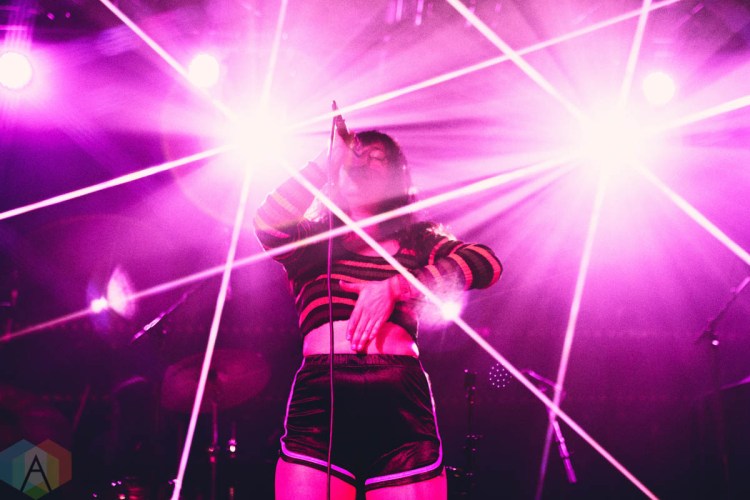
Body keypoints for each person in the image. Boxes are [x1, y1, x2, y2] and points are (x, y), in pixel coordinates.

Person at [254, 127, 502, 499]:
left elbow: (487, 263)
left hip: (399, 399)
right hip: (321, 400)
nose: (365, 162)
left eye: (378, 159)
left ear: (394, 180)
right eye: (357, 156)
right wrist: (325, 161)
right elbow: (268, 225)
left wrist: (396, 287)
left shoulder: (418, 241)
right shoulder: (313, 242)